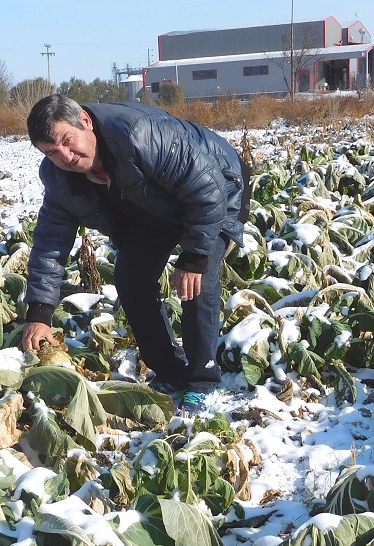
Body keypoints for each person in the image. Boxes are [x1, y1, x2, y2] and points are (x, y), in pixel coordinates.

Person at [22, 95, 250, 413]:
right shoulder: (59, 179)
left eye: (67, 140)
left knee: (199, 280)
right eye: (51, 152)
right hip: (155, 206)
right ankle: (170, 371)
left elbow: (206, 189)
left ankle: (203, 380)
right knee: (131, 278)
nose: (65, 156)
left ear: (85, 122)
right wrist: (40, 314)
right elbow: (50, 243)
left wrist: (194, 257)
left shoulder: (139, 135)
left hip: (219, 188)